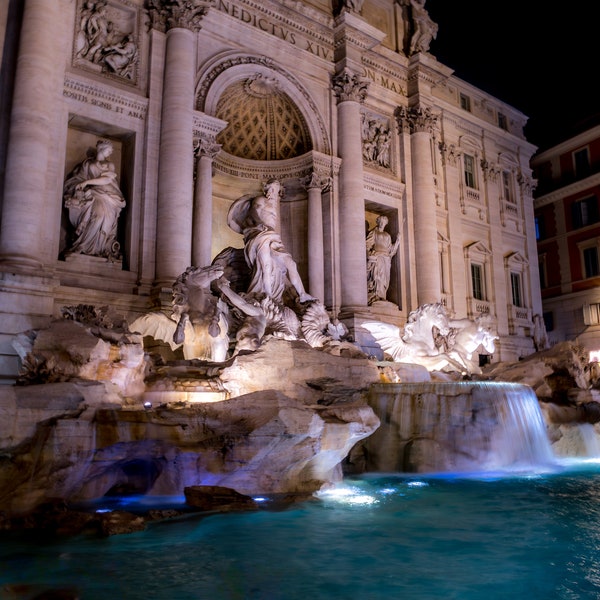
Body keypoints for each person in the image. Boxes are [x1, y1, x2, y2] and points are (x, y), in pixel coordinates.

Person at [227, 184, 314, 305]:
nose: (272, 192)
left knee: (291, 263)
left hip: (270, 234)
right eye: (272, 189)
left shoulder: (272, 203)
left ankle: (303, 294)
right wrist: (259, 225)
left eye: (275, 189)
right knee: (265, 264)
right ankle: (267, 295)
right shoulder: (259, 200)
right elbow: (256, 212)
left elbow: (271, 219)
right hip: (260, 234)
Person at [63, 139, 126, 260]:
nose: (111, 152)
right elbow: (78, 178)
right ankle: (84, 246)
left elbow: (107, 180)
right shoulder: (87, 164)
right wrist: (80, 185)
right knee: (98, 215)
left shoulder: (109, 165)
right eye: (109, 150)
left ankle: (100, 249)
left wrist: (87, 182)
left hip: (108, 196)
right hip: (93, 194)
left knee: (105, 216)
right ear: (102, 149)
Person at [366, 214, 400, 304]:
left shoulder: (387, 235)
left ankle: (382, 296)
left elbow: (391, 250)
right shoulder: (374, 232)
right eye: (380, 222)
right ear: (378, 222)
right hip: (378, 257)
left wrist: (397, 241)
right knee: (378, 276)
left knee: (385, 278)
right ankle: (376, 295)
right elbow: (367, 244)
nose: (382, 224)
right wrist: (370, 254)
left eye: (384, 223)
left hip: (386, 259)